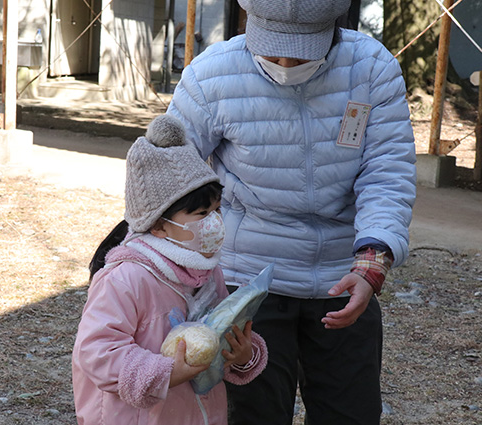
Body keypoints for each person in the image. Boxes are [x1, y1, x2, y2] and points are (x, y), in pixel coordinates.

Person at [166, 0, 417, 424]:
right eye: (272, 48)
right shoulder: (211, 75)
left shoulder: (371, 69)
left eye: (302, 48)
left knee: (351, 414)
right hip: (247, 278)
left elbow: (386, 171)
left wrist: (372, 262)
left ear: (333, 28)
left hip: (344, 275)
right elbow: (171, 174)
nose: (285, 61)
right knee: (253, 415)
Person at [72, 114, 268, 425]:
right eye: (202, 213)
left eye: (217, 210)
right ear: (161, 225)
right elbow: (97, 352)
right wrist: (165, 372)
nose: (214, 221)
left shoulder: (206, 271)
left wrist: (243, 355)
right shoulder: (126, 278)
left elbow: (219, 334)